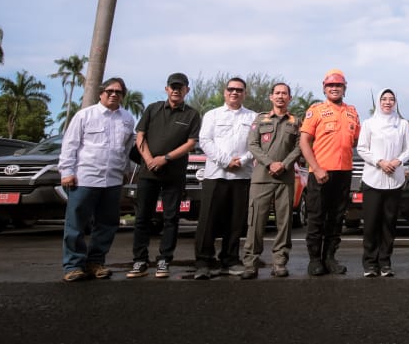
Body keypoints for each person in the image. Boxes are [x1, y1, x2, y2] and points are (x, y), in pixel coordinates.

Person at [58, 77, 136, 282]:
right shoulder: (85, 115)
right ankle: (73, 266)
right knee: (76, 223)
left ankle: (96, 262)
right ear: (101, 93)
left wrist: (125, 169)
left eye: (118, 92)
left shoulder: (127, 118)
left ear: (122, 96)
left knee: (107, 224)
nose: (113, 95)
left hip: (112, 180)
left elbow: (126, 148)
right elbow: (70, 145)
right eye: (109, 91)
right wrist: (67, 171)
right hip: (85, 177)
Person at [127, 72, 201, 279]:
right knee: (142, 218)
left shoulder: (192, 114)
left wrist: (165, 158)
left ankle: (164, 260)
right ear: (167, 89)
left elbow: (190, 143)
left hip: (174, 174)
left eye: (180, 87)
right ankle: (139, 260)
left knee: (171, 218)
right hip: (148, 173)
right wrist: (150, 159)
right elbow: (140, 134)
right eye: (172, 86)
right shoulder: (152, 109)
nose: (176, 90)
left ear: (187, 90)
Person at [193, 77, 258, 279]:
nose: (234, 93)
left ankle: (230, 259)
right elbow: (205, 140)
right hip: (216, 174)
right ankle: (204, 261)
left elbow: (256, 144)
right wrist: (226, 161)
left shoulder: (253, 117)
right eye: (231, 89)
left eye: (239, 90)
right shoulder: (212, 115)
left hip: (242, 176)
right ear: (224, 92)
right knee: (208, 220)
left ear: (245, 94)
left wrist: (244, 160)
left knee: (236, 220)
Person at [300, 69, 361, 276]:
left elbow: (358, 140)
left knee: (336, 218)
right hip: (320, 173)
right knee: (317, 217)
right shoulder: (315, 110)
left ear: (345, 88)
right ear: (324, 88)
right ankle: (315, 260)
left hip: (344, 173)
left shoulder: (352, 111)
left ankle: (330, 258)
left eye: (338, 85)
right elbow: (304, 142)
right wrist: (316, 168)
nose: (334, 88)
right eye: (330, 85)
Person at [240, 82, 303, 279]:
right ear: (271, 97)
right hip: (261, 179)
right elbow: (252, 144)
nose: (280, 96)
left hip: (285, 179)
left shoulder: (296, 122)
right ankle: (250, 263)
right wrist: (270, 164)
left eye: (284, 93)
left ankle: (279, 263)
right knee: (256, 222)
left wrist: (283, 164)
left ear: (289, 98)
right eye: (277, 93)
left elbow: (300, 147)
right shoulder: (260, 120)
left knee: (284, 224)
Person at [357, 89, 409, 277]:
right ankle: (370, 264)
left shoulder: (403, 124)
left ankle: (385, 262)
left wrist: (397, 161)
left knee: (389, 223)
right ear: (379, 102)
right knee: (371, 223)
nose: (388, 102)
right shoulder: (369, 124)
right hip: (373, 179)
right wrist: (380, 162)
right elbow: (362, 149)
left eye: (391, 99)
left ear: (396, 102)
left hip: (394, 181)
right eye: (384, 99)